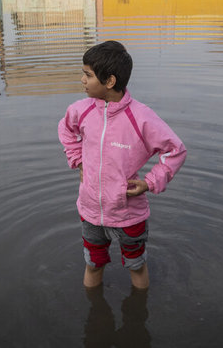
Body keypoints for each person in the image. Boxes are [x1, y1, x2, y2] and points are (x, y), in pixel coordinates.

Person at [58, 41, 186, 289]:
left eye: (88, 75)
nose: (82, 80)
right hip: (91, 211)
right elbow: (65, 130)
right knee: (93, 264)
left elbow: (175, 150)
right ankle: (94, 306)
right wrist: (78, 160)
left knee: (136, 265)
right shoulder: (80, 111)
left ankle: (137, 309)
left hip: (129, 214)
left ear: (110, 81)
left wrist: (149, 182)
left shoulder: (141, 117)